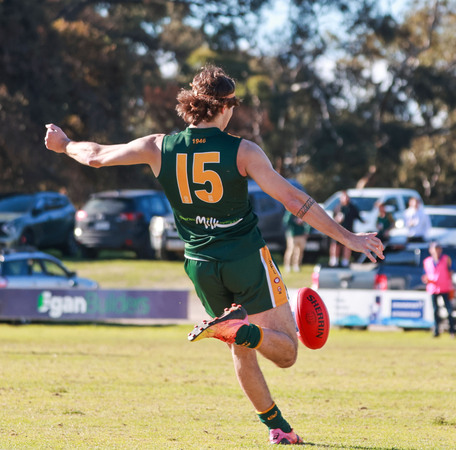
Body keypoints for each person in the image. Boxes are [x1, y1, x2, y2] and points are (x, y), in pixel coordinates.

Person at [44, 64, 385, 445]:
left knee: (241, 349)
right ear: (225, 107)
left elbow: (95, 156)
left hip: (201, 265)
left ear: (191, 105)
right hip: (245, 258)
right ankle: (243, 330)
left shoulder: (158, 146)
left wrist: (64, 144)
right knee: (286, 352)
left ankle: (278, 428)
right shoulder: (243, 151)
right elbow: (294, 200)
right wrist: (348, 237)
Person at [422, 241, 456, 338]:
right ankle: (436, 331)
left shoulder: (446, 259)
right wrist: (426, 279)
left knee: (449, 310)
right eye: (434, 249)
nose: (436, 251)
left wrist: (452, 286)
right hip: (433, 288)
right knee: (435, 310)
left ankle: (452, 331)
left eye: (438, 249)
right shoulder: (427, 261)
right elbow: (425, 274)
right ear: (430, 250)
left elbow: (451, 272)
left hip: (445, 288)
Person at [329, 190, 363, 267]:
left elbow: (358, 217)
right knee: (336, 245)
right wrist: (337, 219)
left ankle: (345, 261)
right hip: (338, 230)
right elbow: (333, 219)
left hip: (348, 230)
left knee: (347, 245)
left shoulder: (352, 207)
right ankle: (334, 260)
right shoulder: (337, 207)